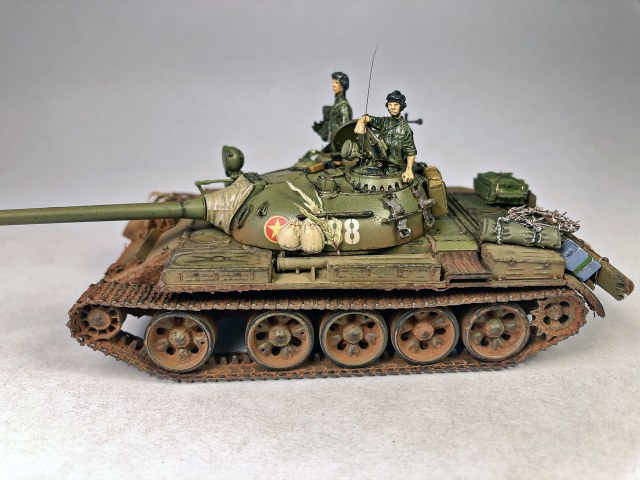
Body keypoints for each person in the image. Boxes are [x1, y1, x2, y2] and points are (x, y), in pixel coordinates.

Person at [354, 90, 417, 182]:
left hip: (393, 169)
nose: (392, 107)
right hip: (377, 164)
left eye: (396, 105)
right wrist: (360, 122)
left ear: (401, 106)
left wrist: (408, 170)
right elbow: (368, 118)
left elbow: (411, 152)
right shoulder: (384, 122)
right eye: (390, 105)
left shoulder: (405, 130)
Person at [312, 72, 353, 145]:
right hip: (332, 143)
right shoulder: (336, 105)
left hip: (339, 145)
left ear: (342, 85)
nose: (333, 85)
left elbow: (345, 130)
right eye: (333, 82)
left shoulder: (343, 106)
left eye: (336, 82)